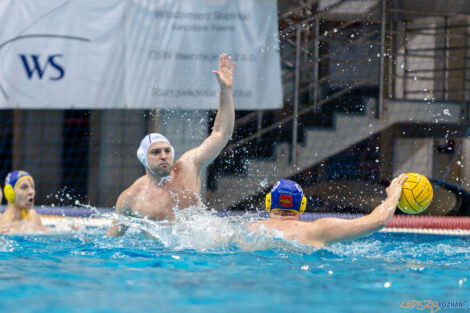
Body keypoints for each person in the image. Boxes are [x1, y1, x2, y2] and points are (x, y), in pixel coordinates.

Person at [108, 53, 235, 237]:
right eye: (156, 152)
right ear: (143, 158)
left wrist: (225, 90)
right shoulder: (131, 197)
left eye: (167, 150)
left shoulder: (188, 166)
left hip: (197, 254)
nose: (164, 155)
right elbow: (112, 242)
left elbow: (221, 133)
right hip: (160, 261)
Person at [249, 174, 407, 248]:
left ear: (268, 202)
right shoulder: (319, 230)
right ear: (302, 205)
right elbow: (378, 221)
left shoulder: (250, 228)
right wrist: (393, 196)